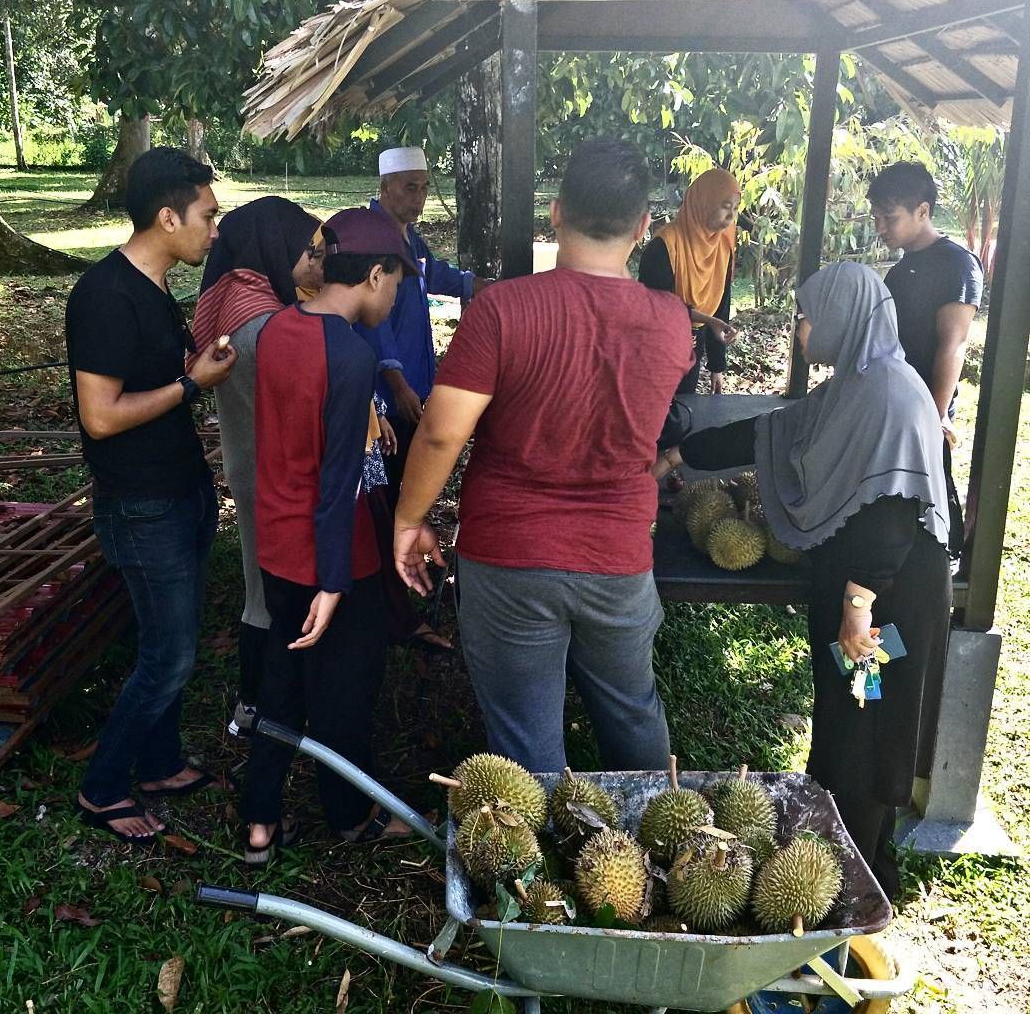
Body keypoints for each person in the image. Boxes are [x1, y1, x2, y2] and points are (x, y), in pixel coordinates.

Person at [393, 138, 695, 776]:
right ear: (643, 228)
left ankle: (535, 870)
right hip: (618, 556)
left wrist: (408, 519)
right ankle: (668, 849)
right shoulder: (670, 321)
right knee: (632, 711)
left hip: (510, 556)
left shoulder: (503, 310)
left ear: (555, 213)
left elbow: (443, 433)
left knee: (526, 746)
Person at [660, 262, 951, 897]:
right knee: (849, 713)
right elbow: (775, 430)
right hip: (866, 588)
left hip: (886, 600)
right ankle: (845, 844)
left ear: (847, 318)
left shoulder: (888, 395)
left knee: (866, 713)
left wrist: (857, 607)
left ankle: (861, 867)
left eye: (810, 315)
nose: (800, 327)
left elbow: (892, 519)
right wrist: (682, 456)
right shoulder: (858, 384)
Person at [66, 147, 236, 845]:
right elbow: (99, 415)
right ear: (168, 217)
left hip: (179, 487)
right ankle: (102, 786)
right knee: (168, 655)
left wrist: (192, 371)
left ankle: (161, 763)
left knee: (173, 640)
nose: (214, 229)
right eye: (207, 216)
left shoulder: (157, 285)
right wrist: (193, 385)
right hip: (141, 504)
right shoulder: (105, 296)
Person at [240, 207, 420, 863]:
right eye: (396, 282)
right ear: (374, 275)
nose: (396, 296)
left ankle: (260, 820)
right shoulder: (351, 356)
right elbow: (339, 482)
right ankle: (350, 816)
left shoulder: (282, 328)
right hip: (333, 560)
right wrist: (336, 582)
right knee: (345, 694)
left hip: (277, 544)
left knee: (281, 685)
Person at [190, 196, 324, 738]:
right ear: (275, 246)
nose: (318, 263)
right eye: (309, 251)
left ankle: (257, 708)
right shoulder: (263, 325)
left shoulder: (239, 299)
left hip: (253, 469)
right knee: (274, 596)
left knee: (258, 587)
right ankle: (263, 711)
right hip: (282, 480)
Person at [354, 145, 491, 652]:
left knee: (409, 489)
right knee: (390, 496)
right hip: (384, 403)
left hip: (413, 386)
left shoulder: (407, 238)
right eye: (410, 187)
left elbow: (435, 273)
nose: (419, 197)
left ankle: (406, 581)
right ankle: (395, 607)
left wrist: (482, 285)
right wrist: (397, 382)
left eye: (425, 187)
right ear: (386, 185)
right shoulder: (371, 237)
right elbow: (374, 325)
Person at [867, 160, 982, 557]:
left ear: (923, 211)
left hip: (926, 403)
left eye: (890, 218)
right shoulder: (902, 269)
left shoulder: (957, 264)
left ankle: (942, 563)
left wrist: (936, 414)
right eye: (877, 217)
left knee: (931, 486)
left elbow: (954, 344)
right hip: (893, 398)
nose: (881, 228)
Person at [639, 167, 741, 395]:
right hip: (657, 349)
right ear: (703, 202)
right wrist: (708, 320)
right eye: (725, 207)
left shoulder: (723, 246)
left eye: (735, 208)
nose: (731, 216)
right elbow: (657, 308)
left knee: (684, 408)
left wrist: (717, 366)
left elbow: (721, 305)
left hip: (695, 344)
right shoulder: (665, 246)